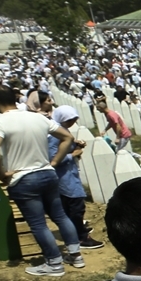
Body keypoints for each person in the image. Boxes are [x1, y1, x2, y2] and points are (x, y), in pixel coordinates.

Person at [0, 84, 83, 276]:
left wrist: (1, 173)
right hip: (47, 173)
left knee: (38, 223)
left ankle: (54, 263)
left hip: (23, 177)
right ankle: (75, 255)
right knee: (60, 216)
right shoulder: (38, 117)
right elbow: (67, 137)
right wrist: (54, 161)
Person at [49, 106, 104, 250]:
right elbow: (53, 158)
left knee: (70, 206)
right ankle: (81, 237)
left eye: (74, 119)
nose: (72, 122)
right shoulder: (54, 135)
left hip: (68, 174)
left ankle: (74, 232)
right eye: (69, 120)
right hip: (64, 176)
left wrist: (75, 144)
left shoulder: (59, 130)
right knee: (76, 206)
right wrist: (73, 154)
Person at [96, 100, 141, 166]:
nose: (97, 110)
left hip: (124, 134)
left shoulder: (111, 114)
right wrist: (105, 130)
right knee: (119, 150)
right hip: (122, 134)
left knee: (118, 151)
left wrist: (117, 137)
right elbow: (111, 123)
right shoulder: (107, 114)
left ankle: (140, 157)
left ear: (101, 108)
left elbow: (118, 126)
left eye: (98, 108)